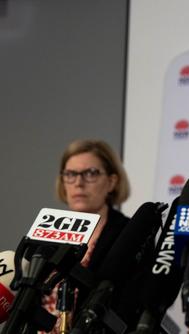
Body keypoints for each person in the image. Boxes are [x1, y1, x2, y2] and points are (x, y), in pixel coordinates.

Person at [42, 139, 131, 333]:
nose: (79, 183)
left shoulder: (128, 235)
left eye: (90, 173)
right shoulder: (50, 231)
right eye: (71, 174)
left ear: (111, 181)